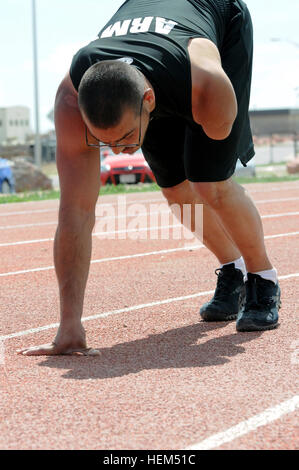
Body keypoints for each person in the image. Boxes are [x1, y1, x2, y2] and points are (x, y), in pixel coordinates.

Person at [18, 0, 280, 356]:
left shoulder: (203, 79)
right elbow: (75, 212)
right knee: (174, 189)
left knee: (208, 182)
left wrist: (204, 140)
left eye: (125, 137)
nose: (119, 151)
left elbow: (218, 135)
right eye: (103, 140)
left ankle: (262, 279)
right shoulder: (70, 98)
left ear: (149, 101)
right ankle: (231, 270)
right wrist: (69, 326)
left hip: (214, 22)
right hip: (155, 66)